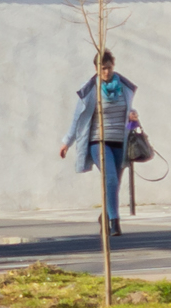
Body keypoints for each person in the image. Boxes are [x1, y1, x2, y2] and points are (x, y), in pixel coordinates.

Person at [57, 48, 137, 238]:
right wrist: (66, 142)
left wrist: (133, 116)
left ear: (113, 66)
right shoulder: (91, 90)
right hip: (98, 141)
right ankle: (114, 222)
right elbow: (79, 118)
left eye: (108, 68)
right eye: (102, 69)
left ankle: (105, 215)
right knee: (109, 178)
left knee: (114, 183)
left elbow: (128, 110)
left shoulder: (124, 87)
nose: (106, 72)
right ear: (96, 68)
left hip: (120, 141)